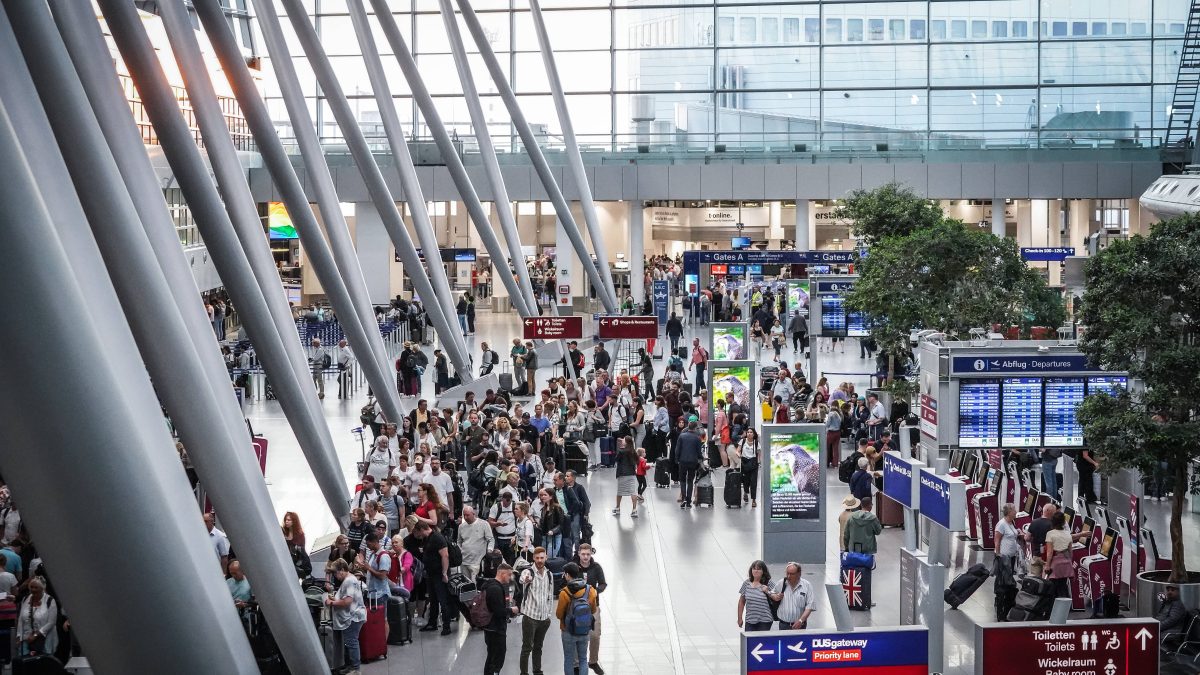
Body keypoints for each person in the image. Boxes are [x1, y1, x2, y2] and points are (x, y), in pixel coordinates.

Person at [556, 562, 598, 675]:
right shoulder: (590, 590)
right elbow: (593, 610)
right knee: (583, 659)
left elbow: (559, 614)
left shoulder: (564, 592)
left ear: (567, 575)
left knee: (569, 659)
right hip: (584, 630)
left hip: (568, 631)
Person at [326, 559, 367, 675]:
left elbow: (347, 601)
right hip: (352, 616)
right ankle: (350, 667)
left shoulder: (349, 581)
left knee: (351, 642)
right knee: (349, 642)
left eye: (336, 573)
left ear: (343, 570)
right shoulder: (349, 580)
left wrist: (332, 603)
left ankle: (355, 669)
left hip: (353, 617)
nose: (335, 576)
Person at [413, 520, 454, 635]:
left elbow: (445, 556)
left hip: (439, 575)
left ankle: (446, 626)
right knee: (433, 599)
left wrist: (445, 573)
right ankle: (432, 622)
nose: (418, 536)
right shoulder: (428, 538)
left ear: (421, 530)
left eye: (418, 533)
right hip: (431, 574)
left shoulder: (437, 538)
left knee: (443, 600)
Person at [519, 548, 555, 675]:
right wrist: (526, 579)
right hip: (530, 617)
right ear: (533, 558)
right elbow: (522, 579)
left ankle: (537, 671)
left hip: (544, 619)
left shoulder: (549, 574)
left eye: (542, 558)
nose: (540, 560)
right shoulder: (528, 572)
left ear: (546, 558)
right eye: (537, 558)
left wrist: (548, 614)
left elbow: (550, 595)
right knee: (526, 648)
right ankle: (524, 673)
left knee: (538, 647)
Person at [482, 563, 517, 675]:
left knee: (491, 656)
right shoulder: (495, 589)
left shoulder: (489, 585)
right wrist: (512, 610)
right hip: (495, 629)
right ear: (502, 574)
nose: (510, 578)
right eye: (509, 575)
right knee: (497, 658)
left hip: (490, 628)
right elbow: (498, 612)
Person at [16, 577, 57, 658]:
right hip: (26, 638)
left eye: (36, 587)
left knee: (43, 663)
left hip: (44, 639)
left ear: (42, 588)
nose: (33, 589)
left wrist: (35, 635)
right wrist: (18, 635)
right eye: (31, 587)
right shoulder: (25, 599)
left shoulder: (50, 600)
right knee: (26, 663)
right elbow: (21, 619)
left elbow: (51, 622)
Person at [993, 504, 1021, 621]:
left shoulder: (1011, 523)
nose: (1016, 511)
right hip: (1004, 558)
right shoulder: (1002, 524)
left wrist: (1018, 532)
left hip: (1011, 557)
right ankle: (1001, 610)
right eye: (1014, 510)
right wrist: (998, 555)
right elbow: (997, 540)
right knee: (1004, 583)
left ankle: (1006, 607)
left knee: (1008, 581)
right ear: (1009, 512)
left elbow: (1012, 536)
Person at [737, 560, 779, 633]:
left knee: (761, 642)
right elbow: (741, 601)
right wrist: (740, 618)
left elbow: (777, 597)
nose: (756, 571)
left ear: (763, 571)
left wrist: (767, 591)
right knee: (750, 642)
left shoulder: (768, 583)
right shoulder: (746, 583)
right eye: (754, 569)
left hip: (765, 620)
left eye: (758, 569)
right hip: (750, 620)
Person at [774, 562, 815, 631]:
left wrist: (801, 620)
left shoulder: (807, 585)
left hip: (800, 625)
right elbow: (772, 593)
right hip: (783, 625)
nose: (789, 576)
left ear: (799, 574)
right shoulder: (782, 583)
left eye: (792, 574)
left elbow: (810, 606)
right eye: (787, 573)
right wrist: (775, 596)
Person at [1042, 511, 1074, 598]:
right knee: (1063, 585)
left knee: (1053, 587)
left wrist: (1047, 565)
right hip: (1066, 562)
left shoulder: (1050, 534)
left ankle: (1053, 608)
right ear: (1064, 522)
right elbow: (1071, 551)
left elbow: (1050, 552)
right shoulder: (1068, 534)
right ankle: (1064, 606)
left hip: (1055, 563)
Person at [458, 506, 494, 582]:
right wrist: (460, 550)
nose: (466, 517)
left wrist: (489, 550)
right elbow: (459, 541)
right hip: (464, 561)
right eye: (464, 515)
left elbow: (491, 539)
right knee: (466, 585)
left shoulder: (484, 524)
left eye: (467, 515)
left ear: (473, 514)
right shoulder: (461, 527)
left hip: (477, 561)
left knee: (476, 584)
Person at [1025, 503, 1058, 578]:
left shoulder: (1034, 522)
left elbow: (1027, 538)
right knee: (1045, 581)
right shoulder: (1052, 525)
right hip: (1046, 558)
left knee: (1034, 580)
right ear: (1050, 512)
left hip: (1036, 556)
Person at [676, 418, 703, 509]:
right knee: (690, 481)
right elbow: (699, 452)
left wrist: (677, 459)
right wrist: (701, 458)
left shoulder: (682, 436)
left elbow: (677, 449)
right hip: (693, 461)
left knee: (682, 480)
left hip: (682, 461)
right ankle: (688, 501)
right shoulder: (697, 438)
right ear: (695, 428)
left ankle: (683, 498)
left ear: (688, 427)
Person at [613, 440, 639, 518]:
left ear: (626, 443)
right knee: (633, 492)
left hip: (622, 474)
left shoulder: (621, 451)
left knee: (620, 492)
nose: (622, 441)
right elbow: (637, 461)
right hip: (631, 474)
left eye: (624, 440)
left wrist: (619, 449)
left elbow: (616, 460)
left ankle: (617, 508)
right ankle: (634, 510)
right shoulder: (633, 451)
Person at [738, 428, 761, 507]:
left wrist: (759, 462)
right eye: (748, 432)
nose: (749, 433)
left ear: (754, 434)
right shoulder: (743, 441)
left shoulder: (756, 443)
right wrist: (738, 455)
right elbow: (737, 450)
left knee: (753, 482)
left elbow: (759, 454)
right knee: (745, 480)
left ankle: (754, 500)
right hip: (744, 462)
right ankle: (745, 493)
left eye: (751, 432)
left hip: (754, 463)